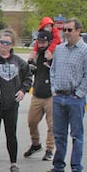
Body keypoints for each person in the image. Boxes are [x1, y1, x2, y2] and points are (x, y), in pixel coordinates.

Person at [45, 18, 87, 172]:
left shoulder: (86, 51)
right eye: (64, 30)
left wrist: (79, 93)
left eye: (69, 30)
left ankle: (76, 168)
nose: (66, 33)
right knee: (59, 134)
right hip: (59, 97)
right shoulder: (59, 49)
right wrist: (53, 90)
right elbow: (52, 71)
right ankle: (58, 166)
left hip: (75, 98)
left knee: (76, 134)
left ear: (78, 31)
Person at [0, 30, 32, 172]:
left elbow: (28, 77)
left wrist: (23, 90)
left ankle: (14, 163)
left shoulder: (18, 61)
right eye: (2, 42)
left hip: (12, 104)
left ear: (12, 45)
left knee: (11, 134)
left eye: (8, 43)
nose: (4, 45)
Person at [24, 30, 55, 161]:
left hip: (50, 95)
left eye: (43, 42)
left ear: (49, 42)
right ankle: (36, 144)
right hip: (37, 94)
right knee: (31, 121)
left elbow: (58, 70)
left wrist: (51, 60)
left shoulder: (53, 55)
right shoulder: (36, 55)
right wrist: (30, 61)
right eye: (39, 42)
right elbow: (28, 71)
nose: (41, 45)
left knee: (51, 125)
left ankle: (49, 149)